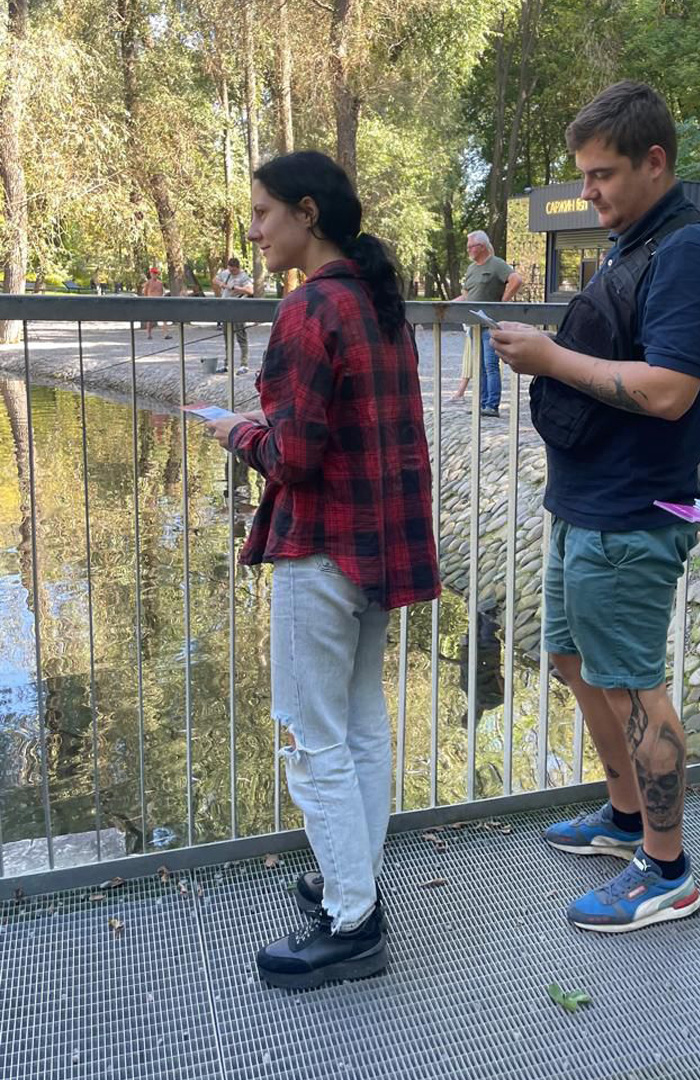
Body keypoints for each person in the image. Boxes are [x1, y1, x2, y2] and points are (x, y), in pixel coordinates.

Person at [491, 81, 700, 932]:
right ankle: (626, 816)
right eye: (584, 175)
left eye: (601, 174)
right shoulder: (631, 243)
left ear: (655, 162)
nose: (587, 190)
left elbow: (671, 390)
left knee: (637, 687)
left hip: (634, 513)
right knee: (572, 661)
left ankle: (668, 870)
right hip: (584, 504)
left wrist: (550, 359)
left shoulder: (692, 252)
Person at [206, 150, 440, 989]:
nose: (256, 230)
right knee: (363, 722)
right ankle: (355, 882)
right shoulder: (378, 303)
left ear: (307, 213)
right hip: (381, 547)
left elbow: (292, 456)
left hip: (324, 547)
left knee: (313, 738)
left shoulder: (309, 310)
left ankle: (353, 923)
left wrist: (231, 430)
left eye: (263, 213)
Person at [451, 231, 522, 415]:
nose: (468, 250)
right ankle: (481, 404)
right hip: (473, 326)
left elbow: (516, 280)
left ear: (481, 246)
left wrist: (501, 303)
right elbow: (467, 295)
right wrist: (448, 306)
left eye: (471, 247)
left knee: (491, 365)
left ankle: (492, 405)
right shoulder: (471, 269)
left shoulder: (496, 264)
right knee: (479, 366)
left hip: (489, 325)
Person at [212, 256, 254, 372]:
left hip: (238, 309)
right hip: (226, 308)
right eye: (230, 270)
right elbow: (215, 280)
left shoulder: (243, 277)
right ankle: (227, 364)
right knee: (227, 337)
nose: (231, 272)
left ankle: (244, 364)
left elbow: (250, 291)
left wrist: (235, 288)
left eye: (233, 270)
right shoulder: (225, 273)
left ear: (238, 268)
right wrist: (222, 284)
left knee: (241, 336)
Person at [140, 267, 166, 339]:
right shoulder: (148, 283)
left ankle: (165, 334)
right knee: (149, 319)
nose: (154, 275)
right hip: (151, 302)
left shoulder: (160, 283)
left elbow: (162, 292)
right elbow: (145, 293)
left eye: (155, 273)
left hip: (159, 302)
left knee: (165, 318)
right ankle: (149, 334)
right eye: (153, 273)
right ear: (151, 274)